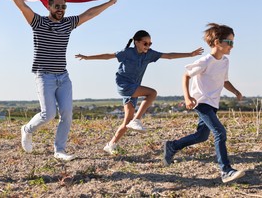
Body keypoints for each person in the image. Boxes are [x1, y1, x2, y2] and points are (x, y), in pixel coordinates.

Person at [0, 0, 117, 161]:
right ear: (49, 7)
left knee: (67, 114)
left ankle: (59, 150)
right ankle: (27, 129)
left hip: (63, 76)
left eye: (63, 7)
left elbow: (89, 14)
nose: (60, 10)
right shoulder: (38, 23)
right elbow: (21, 5)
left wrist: (109, 4)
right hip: (44, 75)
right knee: (48, 114)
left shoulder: (68, 24)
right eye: (57, 6)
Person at [75, 30, 203, 155]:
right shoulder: (127, 52)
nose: (148, 46)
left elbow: (169, 56)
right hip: (124, 85)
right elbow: (108, 56)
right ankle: (137, 120)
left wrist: (190, 54)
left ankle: (111, 144)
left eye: (150, 44)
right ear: (136, 42)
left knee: (127, 121)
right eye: (145, 43)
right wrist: (87, 57)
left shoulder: (149, 54)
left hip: (134, 87)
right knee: (152, 93)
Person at [163, 23, 245, 183]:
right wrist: (187, 98)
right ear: (217, 42)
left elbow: (225, 80)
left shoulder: (225, 61)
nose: (232, 46)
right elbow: (185, 76)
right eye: (229, 42)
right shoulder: (205, 61)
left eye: (233, 43)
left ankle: (172, 146)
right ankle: (226, 170)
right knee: (220, 132)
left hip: (213, 103)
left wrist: (235, 91)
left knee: (201, 136)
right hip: (201, 102)